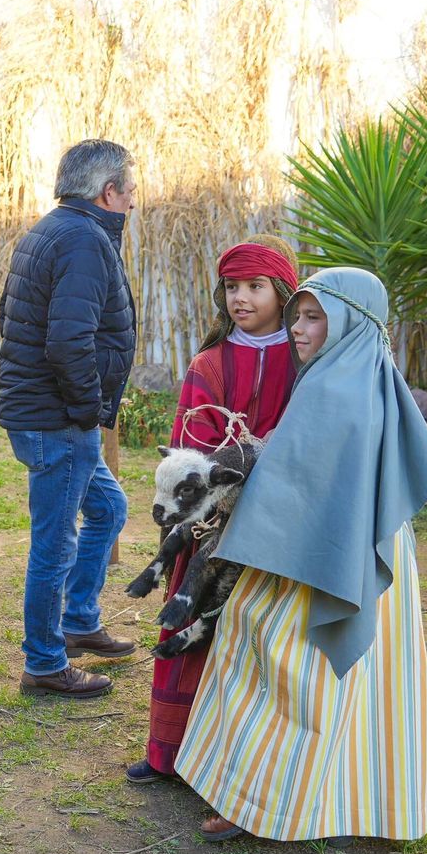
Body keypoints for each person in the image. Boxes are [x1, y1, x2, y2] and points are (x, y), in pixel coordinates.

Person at [174, 268, 427, 844]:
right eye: (298, 315)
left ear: (349, 320)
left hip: (314, 553)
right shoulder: (370, 374)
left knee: (276, 657)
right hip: (363, 542)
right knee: (370, 675)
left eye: (312, 317)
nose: (297, 329)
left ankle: (260, 803)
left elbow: (299, 484)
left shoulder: (332, 388)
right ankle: (357, 801)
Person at [129, 237, 299, 785]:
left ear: (283, 292)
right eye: (232, 287)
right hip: (211, 526)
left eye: (255, 287)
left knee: (256, 636)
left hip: (279, 527)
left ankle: (242, 767)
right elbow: (189, 451)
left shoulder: (307, 362)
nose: (241, 298)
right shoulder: (209, 363)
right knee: (191, 620)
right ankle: (171, 754)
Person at [0, 139, 137, 699]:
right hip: (57, 419)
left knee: (108, 508)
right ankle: (45, 662)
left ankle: (79, 620)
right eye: (129, 193)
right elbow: (67, 340)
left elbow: (11, 316)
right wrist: (87, 412)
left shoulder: (54, 229)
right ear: (108, 192)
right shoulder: (82, 239)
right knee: (54, 543)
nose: (132, 203)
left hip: (50, 414)